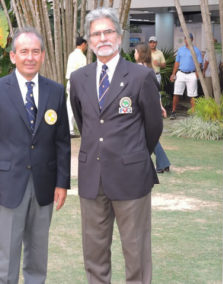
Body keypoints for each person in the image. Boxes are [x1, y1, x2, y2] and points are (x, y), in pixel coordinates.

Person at [70, 8, 163, 284]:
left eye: (108, 31)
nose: (102, 38)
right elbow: (85, 121)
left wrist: (131, 156)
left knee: (136, 253)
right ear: (89, 40)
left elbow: (153, 127)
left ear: (120, 37)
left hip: (131, 178)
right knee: (94, 254)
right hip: (92, 178)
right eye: (96, 33)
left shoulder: (140, 77)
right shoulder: (79, 79)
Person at [0, 27, 70, 284]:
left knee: (38, 253)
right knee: (6, 252)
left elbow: (62, 141)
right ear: (13, 56)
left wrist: (62, 182)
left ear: (42, 56)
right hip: (8, 185)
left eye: (35, 52)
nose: (30, 57)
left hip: (45, 184)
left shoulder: (55, 91)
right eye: (24, 51)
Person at [135, 43, 171, 174]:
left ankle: (161, 163)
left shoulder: (138, 70)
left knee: (145, 136)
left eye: (135, 52)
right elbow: (155, 91)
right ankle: (163, 162)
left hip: (141, 109)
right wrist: (160, 106)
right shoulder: (150, 69)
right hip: (149, 107)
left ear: (139, 54)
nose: (134, 54)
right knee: (147, 136)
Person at [169, 33, 203, 120]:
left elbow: (199, 63)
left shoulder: (196, 50)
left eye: (189, 38)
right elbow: (177, 63)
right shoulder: (180, 50)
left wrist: (197, 73)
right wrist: (173, 74)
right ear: (184, 39)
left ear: (192, 39)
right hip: (180, 73)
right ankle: (173, 111)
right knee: (176, 93)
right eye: (185, 38)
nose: (187, 40)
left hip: (191, 74)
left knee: (193, 95)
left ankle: (193, 113)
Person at [65, 36, 88, 137]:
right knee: (80, 106)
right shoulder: (82, 57)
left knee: (70, 106)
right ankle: (78, 129)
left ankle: (69, 129)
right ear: (83, 44)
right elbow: (83, 73)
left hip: (70, 82)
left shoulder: (71, 55)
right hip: (78, 83)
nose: (86, 47)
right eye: (86, 45)